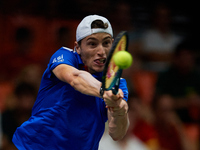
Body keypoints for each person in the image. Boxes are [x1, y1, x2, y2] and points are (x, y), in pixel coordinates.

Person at [12, 15, 129, 150]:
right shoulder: (65, 56)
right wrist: (104, 91)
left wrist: (119, 108)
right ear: (77, 47)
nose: (101, 51)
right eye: (92, 44)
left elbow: (117, 133)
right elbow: (75, 78)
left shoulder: (118, 84)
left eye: (106, 43)